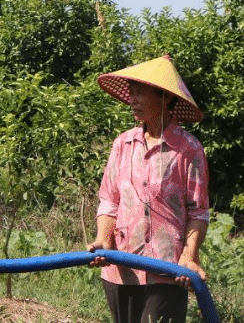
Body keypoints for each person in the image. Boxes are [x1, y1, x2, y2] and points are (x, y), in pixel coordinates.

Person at [87, 55, 210, 323]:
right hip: (121, 270)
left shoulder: (188, 149)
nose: (133, 100)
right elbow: (109, 200)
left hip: (167, 270)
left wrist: (189, 256)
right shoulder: (123, 144)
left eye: (140, 94)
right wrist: (103, 240)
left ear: (165, 97)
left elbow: (197, 212)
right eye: (131, 94)